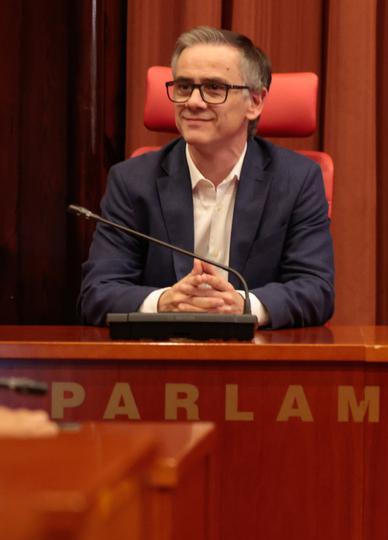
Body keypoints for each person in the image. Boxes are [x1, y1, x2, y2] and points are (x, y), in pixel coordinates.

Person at [79, 26, 334, 328]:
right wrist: (165, 302)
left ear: (255, 102)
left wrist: (242, 304)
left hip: (255, 361)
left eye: (214, 88)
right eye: (184, 87)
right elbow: (97, 292)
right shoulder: (132, 181)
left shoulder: (297, 180)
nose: (194, 102)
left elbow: (316, 290)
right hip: (159, 359)